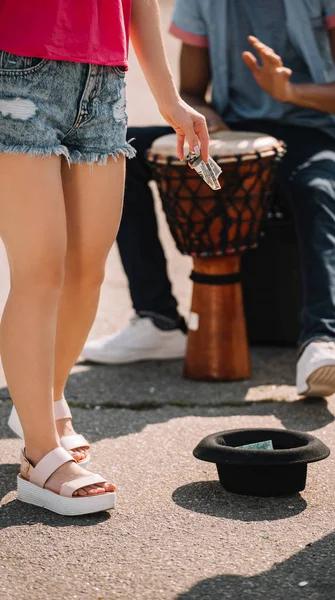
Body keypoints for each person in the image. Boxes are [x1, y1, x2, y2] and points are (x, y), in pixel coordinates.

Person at [83, 0, 335, 398]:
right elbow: (193, 91)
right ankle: (157, 319)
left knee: (317, 192)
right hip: (233, 128)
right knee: (123, 152)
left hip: (311, 130)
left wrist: (290, 91)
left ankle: (321, 343)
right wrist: (210, 118)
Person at [0, 0, 208, 516]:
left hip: (103, 81)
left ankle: (44, 404)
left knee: (87, 269)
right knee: (40, 269)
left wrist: (169, 100)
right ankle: (41, 454)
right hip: (15, 71)